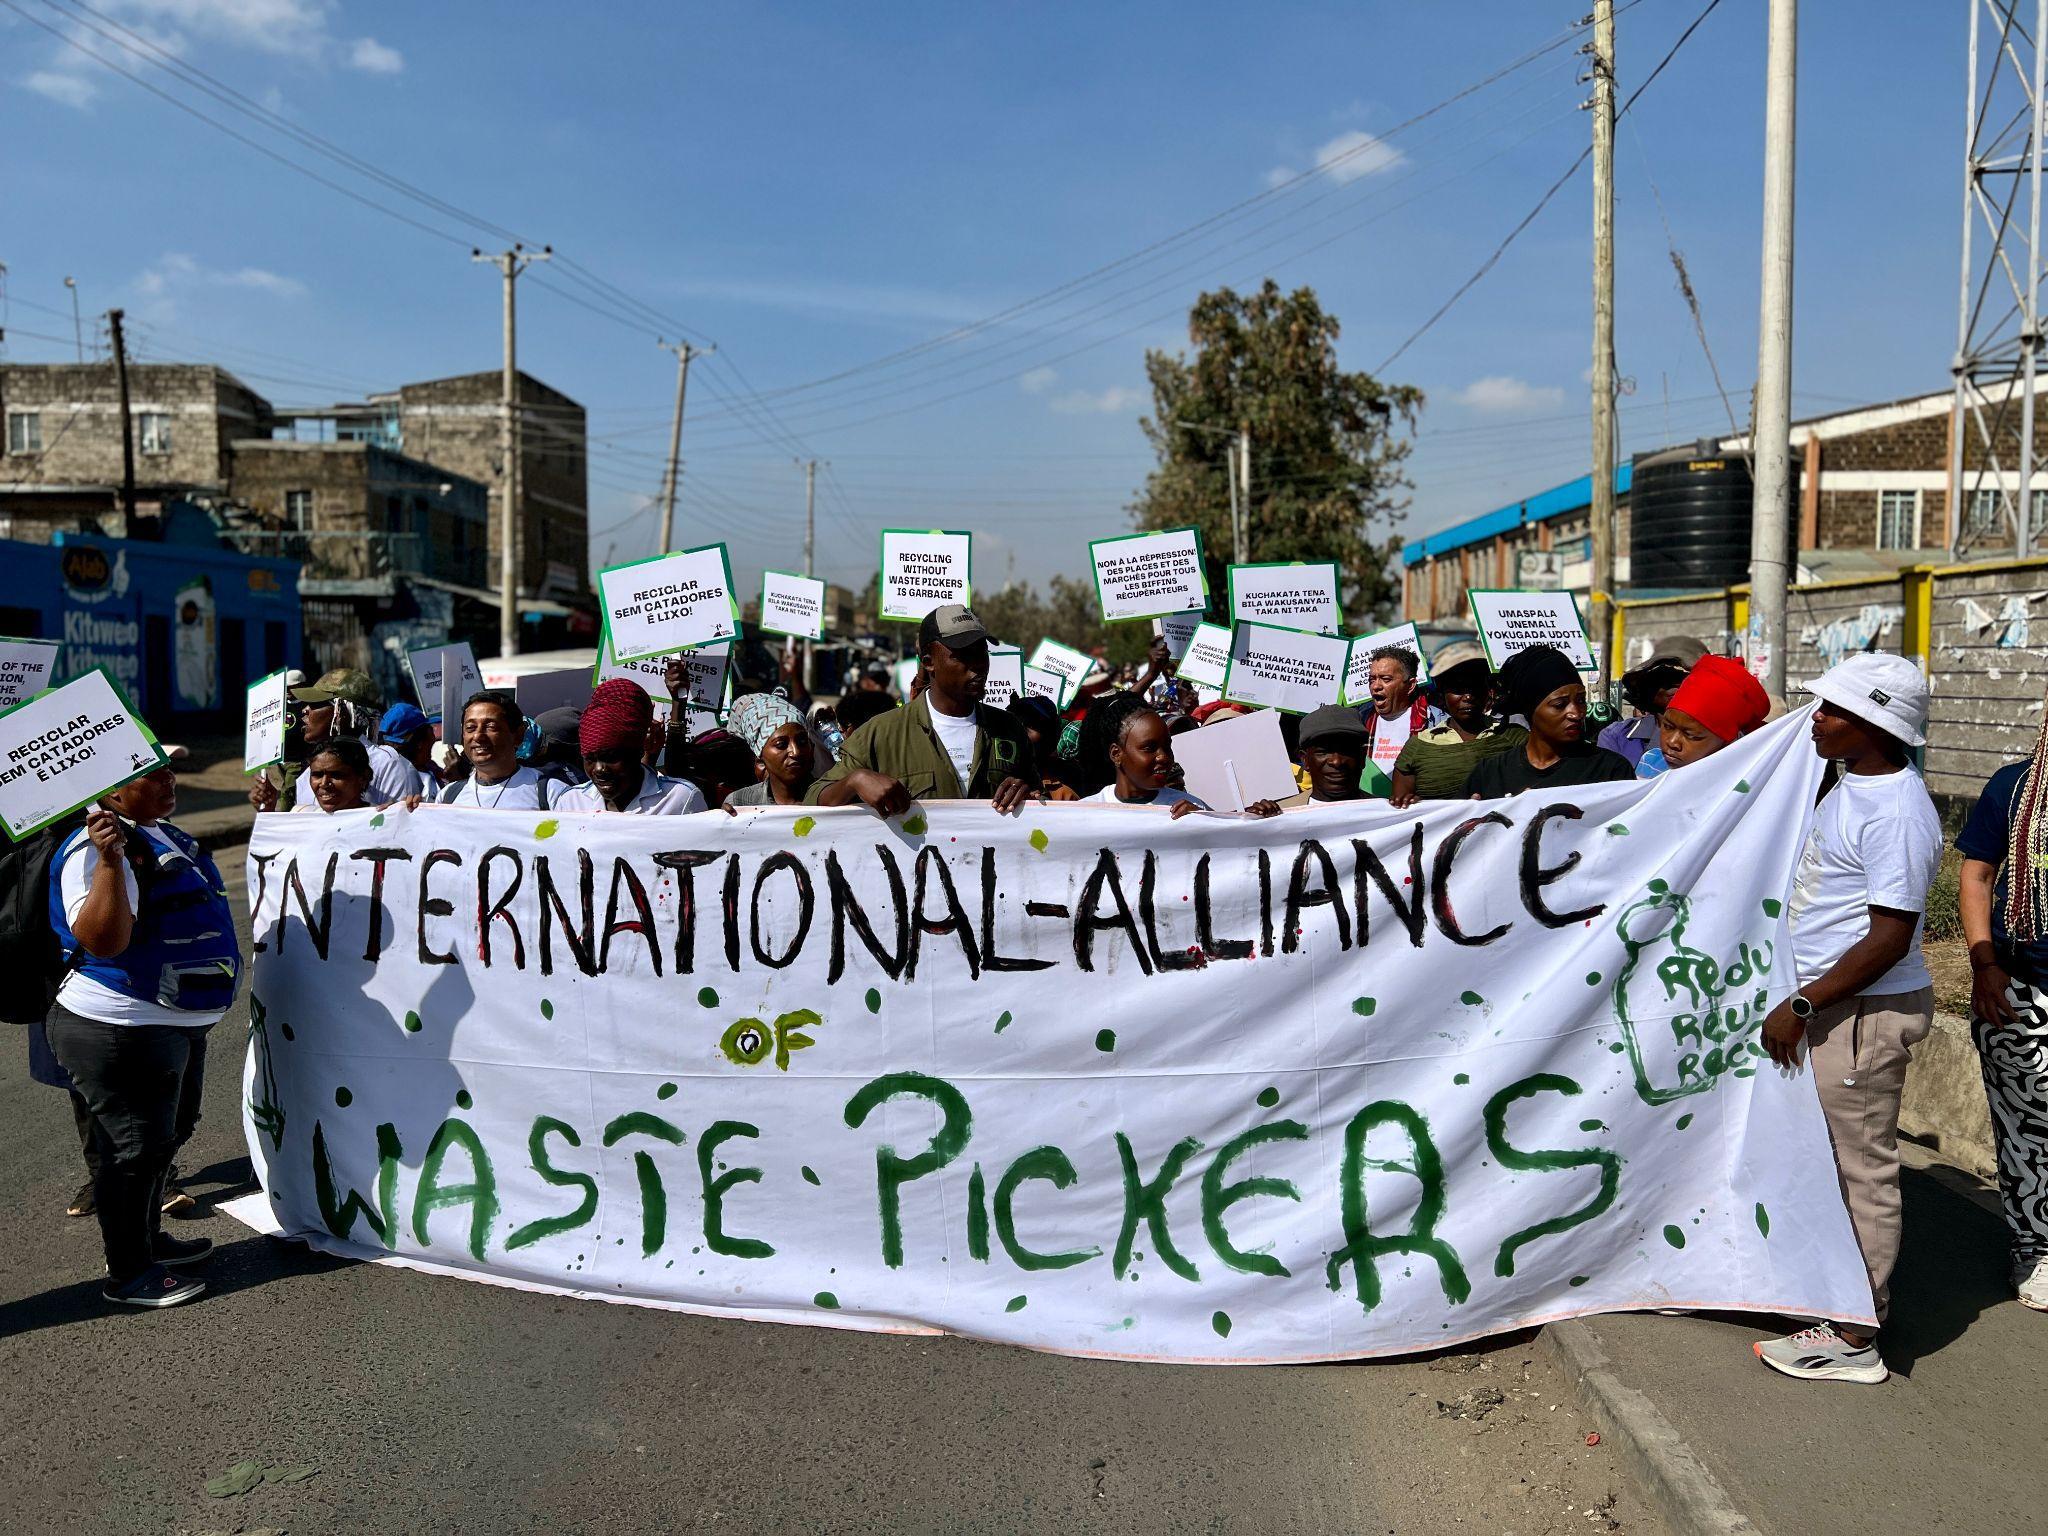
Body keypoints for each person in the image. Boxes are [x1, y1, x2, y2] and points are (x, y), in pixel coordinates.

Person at [1752, 653, 1940, 1384]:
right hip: (1834, 1004)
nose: (1816, 719)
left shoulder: (1895, 809)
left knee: (1860, 1164)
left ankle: (1857, 1333)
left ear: (1873, 724)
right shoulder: (1849, 784)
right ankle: (1825, 1297)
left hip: (1860, 1010)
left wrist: (1804, 1003)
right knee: (1825, 1158)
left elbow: (1890, 935)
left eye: (1832, 710)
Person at [47, 754, 240, 1307]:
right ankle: (129, 1273)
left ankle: (148, 1241)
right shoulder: (94, 850)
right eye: (149, 773)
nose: (167, 781)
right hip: (121, 1025)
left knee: (165, 1137)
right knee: (133, 1150)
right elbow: (103, 940)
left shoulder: (158, 832)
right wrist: (109, 860)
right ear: (109, 793)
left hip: (169, 1022)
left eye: (167, 770)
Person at [1951, 700, 2048, 1312]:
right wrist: (1986, 965)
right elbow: (1977, 874)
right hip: (2022, 987)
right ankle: (2034, 1250)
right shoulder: (2014, 789)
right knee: (2027, 1137)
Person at [808, 604, 1036, 814]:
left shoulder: (1009, 728)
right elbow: (813, 799)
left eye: (982, 652)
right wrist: (854, 781)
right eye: (964, 655)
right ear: (928, 662)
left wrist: (1028, 795)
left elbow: (1042, 801)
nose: (978, 664)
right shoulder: (880, 733)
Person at [1465, 646, 1634, 797]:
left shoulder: (1611, 771)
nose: (1576, 713)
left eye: (1581, 701)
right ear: (1530, 710)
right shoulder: (1491, 774)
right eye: (1560, 705)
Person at [251, 669, 420, 812]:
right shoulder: (307, 776)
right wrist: (269, 808)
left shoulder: (388, 765)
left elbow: (400, 835)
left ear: (343, 711)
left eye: (315, 704)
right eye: (319, 775)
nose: (304, 710)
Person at [1083, 700, 1278, 818]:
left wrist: (1246, 823)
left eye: (1167, 747)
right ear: (1116, 754)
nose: (1163, 757)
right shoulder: (1085, 813)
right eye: (1149, 748)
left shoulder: (1192, 808)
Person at [1390, 641, 1525, 805]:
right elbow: (1399, 810)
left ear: (1488, 692)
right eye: (1458, 689)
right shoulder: (1417, 747)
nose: (1468, 697)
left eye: (1475, 687)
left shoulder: (1514, 737)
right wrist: (1412, 804)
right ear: (1442, 695)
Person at [554, 681, 708, 815]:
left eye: (611, 757)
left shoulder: (681, 799)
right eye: (590, 759)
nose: (599, 769)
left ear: (639, 751)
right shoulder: (569, 803)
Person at [1636, 656, 1771, 777]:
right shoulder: (1651, 763)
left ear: (1728, 741)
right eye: (1668, 726)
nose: (1672, 742)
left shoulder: (1742, 780)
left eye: (1691, 735)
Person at [1598, 637, 1706, 769]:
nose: (1675, 683)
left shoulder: (1725, 740)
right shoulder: (1617, 736)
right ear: (1647, 685)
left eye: (1684, 676)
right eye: (1663, 675)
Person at [1356, 646, 1448, 795]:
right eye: (1372, 679)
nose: (1376, 686)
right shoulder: (1360, 721)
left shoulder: (1437, 722)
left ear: (1410, 685)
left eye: (1386, 679)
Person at [436, 691, 549, 808]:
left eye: (491, 727)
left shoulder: (550, 792)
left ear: (518, 735)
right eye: (471, 728)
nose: (478, 736)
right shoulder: (448, 797)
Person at [725, 693, 819, 807]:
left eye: (802, 742)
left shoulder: (832, 798)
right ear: (760, 756)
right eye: (781, 745)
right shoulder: (740, 803)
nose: (795, 752)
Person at [1295, 704, 1370, 805]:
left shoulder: (1387, 813)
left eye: (1346, 750)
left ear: (1362, 756)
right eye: (1323, 752)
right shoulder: (1280, 816)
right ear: (1305, 760)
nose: (1336, 761)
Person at [297, 739, 373, 814]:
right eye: (317, 775)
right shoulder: (300, 815)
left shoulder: (380, 820)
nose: (324, 784)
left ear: (362, 778)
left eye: (336, 775)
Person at [379, 702, 440, 793]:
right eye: (430, 730)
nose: (434, 738)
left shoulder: (381, 778)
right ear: (420, 743)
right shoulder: (425, 788)